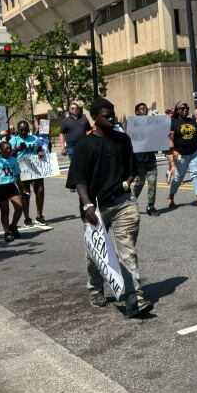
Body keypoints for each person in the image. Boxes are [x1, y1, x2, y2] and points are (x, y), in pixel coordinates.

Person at [66, 98, 152, 317]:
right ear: (95, 117)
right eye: (107, 115)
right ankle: (95, 289)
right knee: (97, 254)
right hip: (94, 208)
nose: (112, 118)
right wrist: (87, 206)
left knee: (127, 251)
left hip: (123, 202)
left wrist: (126, 182)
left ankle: (135, 297)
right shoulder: (84, 146)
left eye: (113, 114)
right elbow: (79, 181)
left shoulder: (123, 140)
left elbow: (131, 170)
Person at [0, 132, 24, 242]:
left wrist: (22, 189)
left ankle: (13, 226)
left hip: (11, 186)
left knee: (19, 207)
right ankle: (7, 232)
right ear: (0, 150)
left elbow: (17, 176)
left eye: (10, 148)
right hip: (0, 188)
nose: (8, 150)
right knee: (5, 211)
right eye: (6, 149)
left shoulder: (13, 160)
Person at [166, 102, 197, 208]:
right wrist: (173, 150)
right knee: (179, 177)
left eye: (187, 108)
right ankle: (171, 196)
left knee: (195, 174)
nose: (185, 110)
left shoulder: (192, 121)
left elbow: (196, 136)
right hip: (181, 153)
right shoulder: (173, 121)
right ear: (177, 110)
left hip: (194, 152)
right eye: (182, 108)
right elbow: (170, 138)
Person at [11, 120, 49, 227]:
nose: (23, 132)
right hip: (22, 169)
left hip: (35, 167)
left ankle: (39, 216)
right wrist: (17, 149)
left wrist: (40, 152)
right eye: (21, 130)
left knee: (40, 191)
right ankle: (27, 218)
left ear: (28, 130)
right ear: (18, 130)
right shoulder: (14, 140)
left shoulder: (35, 139)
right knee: (25, 194)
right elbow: (9, 155)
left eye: (25, 130)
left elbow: (39, 149)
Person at [132, 102, 159, 217]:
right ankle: (131, 204)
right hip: (139, 159)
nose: (144, 111)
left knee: (152, 183)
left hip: (150, 158)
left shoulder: (151, 123)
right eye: (141, 109)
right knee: (139, 184)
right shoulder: (133, 124)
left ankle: (150, 206)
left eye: (145, 109)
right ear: (137, 112)